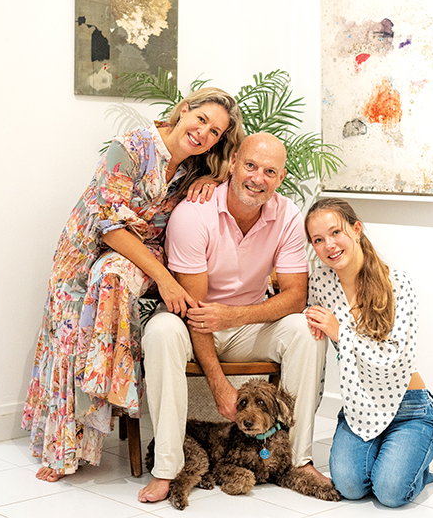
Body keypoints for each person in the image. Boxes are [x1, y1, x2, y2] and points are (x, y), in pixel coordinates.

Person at [21, 87, 245, 481]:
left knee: (111, 281)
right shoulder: (133, 147)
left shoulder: (197, 166)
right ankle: (62, 449)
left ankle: (109, 393)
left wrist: (211, 177)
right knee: (72, 337)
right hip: (87, 250)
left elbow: (240, 171)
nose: (204, 133)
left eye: (215, 132)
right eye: (202, 120)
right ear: (184, 110)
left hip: (137, 256)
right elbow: (108, 226)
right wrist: (166, 281)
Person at [138, 132, 330, 503]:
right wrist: (219, 384)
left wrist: (234, 315)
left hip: (244, 324)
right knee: (161, 329)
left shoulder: (287, 214)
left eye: (269, 171)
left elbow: (295, 296)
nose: (258, 178)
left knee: (306, 330)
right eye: (251, 166)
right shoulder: (193, 214)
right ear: (233, 162)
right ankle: (167, 468)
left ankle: (297, 458)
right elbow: (196, 312)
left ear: (281, 177)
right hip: (191, 321)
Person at [303, 197, 433, 508]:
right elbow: (307, 317)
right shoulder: (321, 283)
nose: (329, 245)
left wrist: (339, 332)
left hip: (408, 408)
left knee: (390, 493)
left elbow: (394, 358)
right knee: (349, 486)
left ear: (356, 229)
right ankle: (390, 456)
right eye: (318, 240)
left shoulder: (398, 284)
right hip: (359, 406)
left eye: (336, 232)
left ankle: (417, 460)